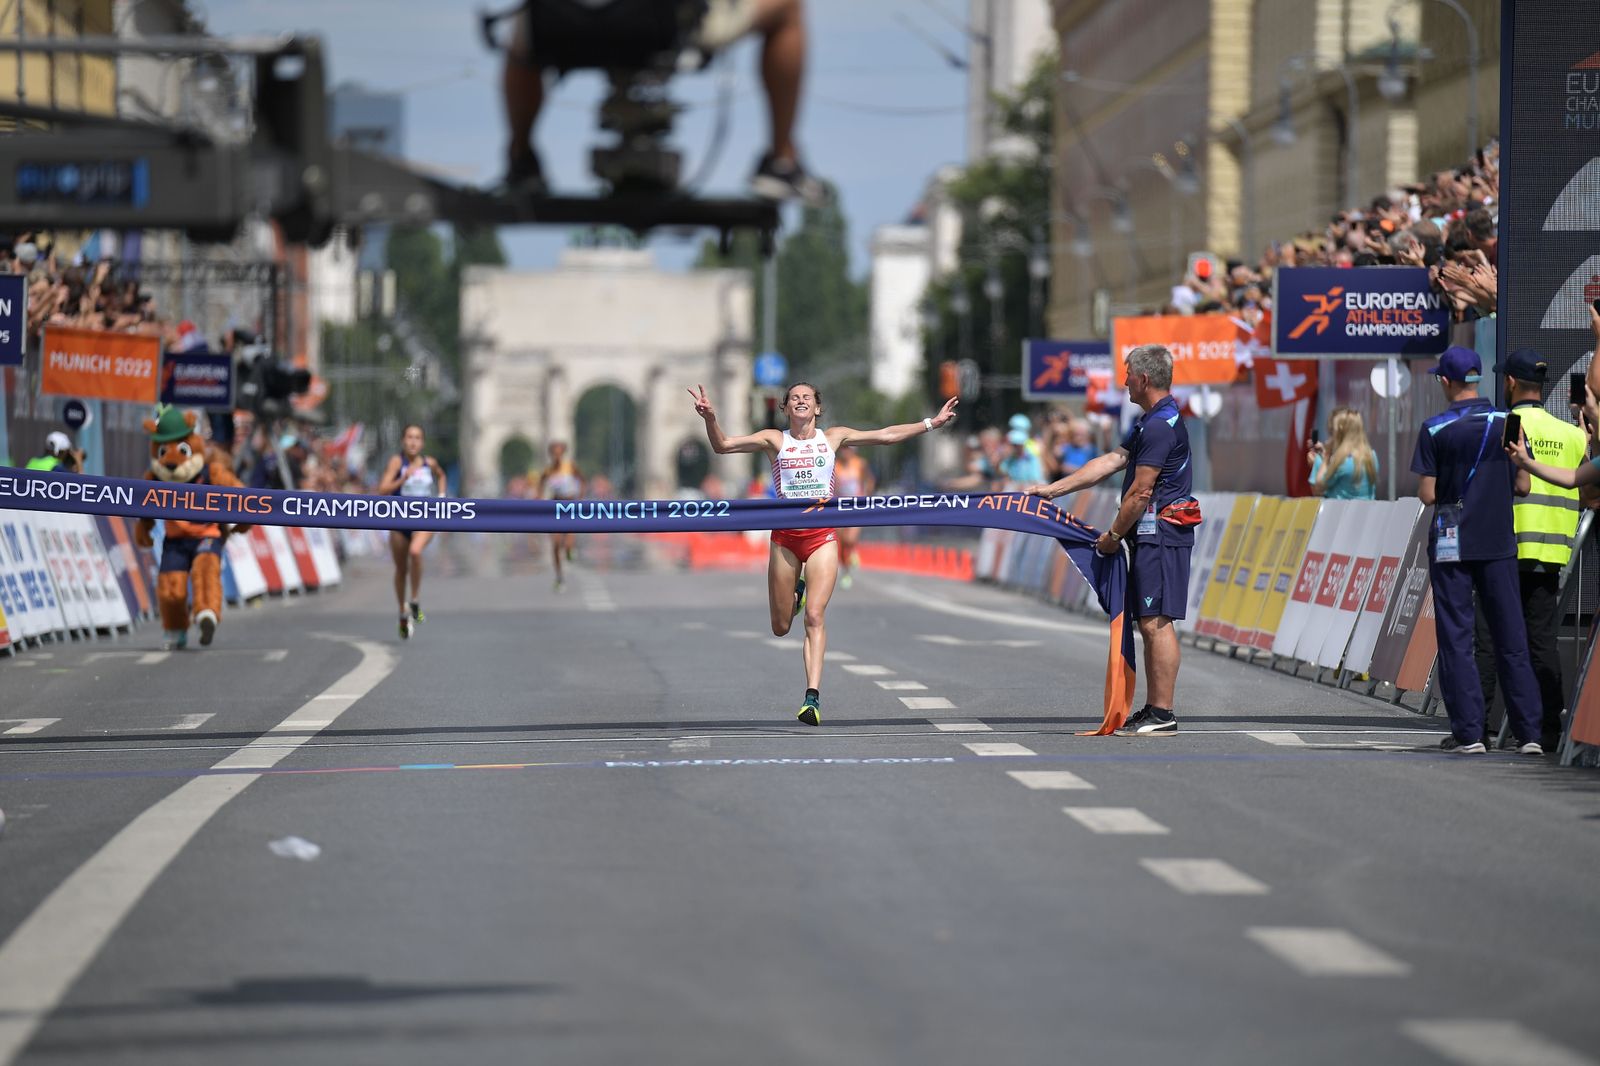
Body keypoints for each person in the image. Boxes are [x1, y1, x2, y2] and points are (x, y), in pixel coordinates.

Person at [690, 381, 958, 725]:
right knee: (781, 626)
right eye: (794, 398)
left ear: (817, 408)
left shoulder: (833, 438)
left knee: (814, 617)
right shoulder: (774, 440)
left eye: (807, 398)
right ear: (785, 408)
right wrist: (710, 418)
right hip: (785, 539)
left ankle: (811, 698)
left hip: (822, 537)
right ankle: (796, 591)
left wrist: (930, 423)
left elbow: (886, 435)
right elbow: (723, 446)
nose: (800, 401)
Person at [1023, 344, 1198, 737]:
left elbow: (1140, 492)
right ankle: (1154, 708)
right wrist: (1054, 490)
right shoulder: (1150, 421)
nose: (1124, 382)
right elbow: (1110, 462)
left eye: (1128, 375)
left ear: (1144, 379)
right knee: (1149, 621)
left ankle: (1163, 712)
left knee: (1157, 622)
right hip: (1152, 536)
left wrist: (1113, 535)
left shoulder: (1159, 425)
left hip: (1162, 535)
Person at [502, 0, 823, 204]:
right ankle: (781, 160)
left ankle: (520, 157)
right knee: (787, 9)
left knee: (521, 31)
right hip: (659, 24)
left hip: (558, 25)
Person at [1412, 346, 1543, 755]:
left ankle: (1469, 734)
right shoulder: (1509, 422)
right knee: (1511, 635)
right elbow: (1523, 486)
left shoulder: (1435, 428)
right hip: (1498, 540)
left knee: (1457, 636)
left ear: (1447, 382)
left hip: (1453, 542)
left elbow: (1429, 494)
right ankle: (1530, 734)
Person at [1478, 349, 1589, 752]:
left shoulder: (1508, 426)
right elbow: (1591, 494)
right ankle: (1548, 730)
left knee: (1489, 635)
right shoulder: (1575, 434)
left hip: (1505, 547)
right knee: (1542, 640)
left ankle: (1481, 727)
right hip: (1552, 551)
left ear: (1509, 382)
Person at [376, 425, 447, 640]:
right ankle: (402, 612)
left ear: (422, 443)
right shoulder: (397, 462)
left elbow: (441, 475)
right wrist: (402, 479)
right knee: (400, 570)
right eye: (409, 437)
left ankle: (414, 599)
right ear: (403, 441)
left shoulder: (429, 463)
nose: (413, 442)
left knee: (415, 552)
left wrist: (442, 496)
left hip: (424, 519)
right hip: (399, 521)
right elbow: (382, 490)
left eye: (417, 438)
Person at [538, 441, 584, 591]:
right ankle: (559, 577)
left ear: (563, 453)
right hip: (555, 507)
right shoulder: (548, 470)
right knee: (556, 545)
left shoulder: (570, 466)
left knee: (568, 542)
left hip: (570, 505)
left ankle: (570, 550)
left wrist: (580, 498)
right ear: (551, 454)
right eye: (554, 453)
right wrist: (538, 500)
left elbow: (582, 480)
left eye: (559, 453)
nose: (557, 456)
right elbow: (540, 485)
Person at [1306, 407, 1379, 499]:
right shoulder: (1372, 456)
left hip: (1340, 511)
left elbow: (1319, 486)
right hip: (1367, 511)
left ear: (1340, 432)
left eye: (1333, 432)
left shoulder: (1341, 461)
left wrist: (1324, 458)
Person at [832, 444, 873, 589]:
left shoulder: (860, 464)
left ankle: (854, 550)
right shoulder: (835, 465)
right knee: (842, 543)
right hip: (839, 508)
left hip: (856, 507)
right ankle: (846, 571)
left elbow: (869, 480)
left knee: (850, 539)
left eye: (848, 449)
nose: (846, 452)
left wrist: (866, 496)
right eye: (843, 449)